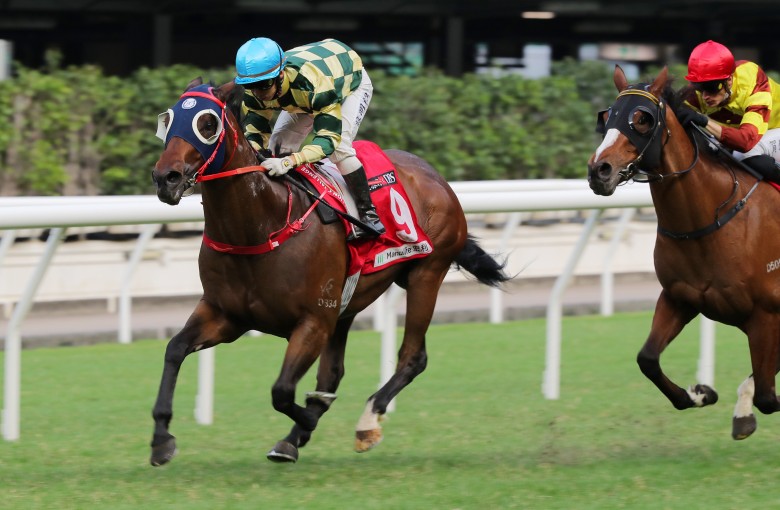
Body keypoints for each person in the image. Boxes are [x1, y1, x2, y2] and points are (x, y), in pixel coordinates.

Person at [234, 37, 385, 238]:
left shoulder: (314, 84)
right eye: (250, 86)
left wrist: (290, 161)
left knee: (340, 150)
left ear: (280, 75)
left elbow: (328, 139)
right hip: (304, 91)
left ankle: (369, 215)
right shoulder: (256, 90)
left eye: (263, 85)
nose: (257, 93)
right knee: (278, 144)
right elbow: (255, 133)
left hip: (345, 82)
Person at [676, 40, 780, 180]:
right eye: (700, 87)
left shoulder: (753, 80)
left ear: (729, 80)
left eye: (712, 87)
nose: (705, 96)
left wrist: (703, 120)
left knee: (743, 155)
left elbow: (745, 142)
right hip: (751, 135)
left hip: (772, 129)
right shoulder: (698, 94)